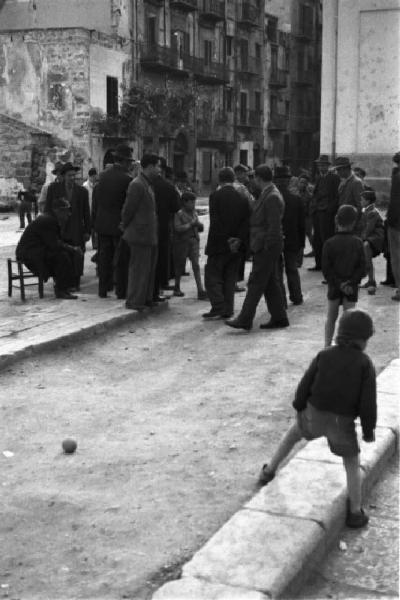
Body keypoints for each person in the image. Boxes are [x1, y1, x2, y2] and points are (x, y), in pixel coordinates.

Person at [258, 308, 376, 529]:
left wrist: (299, 405)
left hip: (315, 413)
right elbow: (368, 403)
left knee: (293, 434)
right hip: (342, 422)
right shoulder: (364, 363)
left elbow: (306, 383)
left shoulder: (324, 354)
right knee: (351, 462)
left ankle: (269, 470)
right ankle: (356, 511)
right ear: (363, 339)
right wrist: (368, 431)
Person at [226, 164, 289, 331]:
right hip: (263, 244)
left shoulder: (272, 197)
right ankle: (280, 317)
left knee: (255, 282)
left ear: (259, 178)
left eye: (254, 178)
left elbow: (274, 227)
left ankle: (245, 319)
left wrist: (267, 247)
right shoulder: (267, 194)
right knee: (270, 283)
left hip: (266, 246)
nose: (251, 181)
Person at [203, 167, 250, 320]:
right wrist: (237, 240)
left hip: (219, 243)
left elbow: (216, 222)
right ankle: (228, 309)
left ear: (219, 179)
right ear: (233, 179)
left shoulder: (215, 196)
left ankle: (218, 305)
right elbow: (246, 221)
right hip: (236, 245)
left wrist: (226, 239)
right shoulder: (242, 197)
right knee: (230, 278)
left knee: (212, 276)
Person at [16, 198, 82, 299]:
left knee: (63, 254)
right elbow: (54, 244)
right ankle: (61, 289)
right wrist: (72, 249)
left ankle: (64, 286)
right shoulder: (48, 220)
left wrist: (71, 247)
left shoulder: (50, 218)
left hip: (35, 249)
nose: (68, 214)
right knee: (62, 257)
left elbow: (55, 241)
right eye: (66, 211)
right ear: (58, 211)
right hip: (29, 253)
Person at [92, 145, 133, 298]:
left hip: (102, 224)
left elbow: (96, 202)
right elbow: (128, 205)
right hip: (119, 225)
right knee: (121, 259)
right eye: (129, 162)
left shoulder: (102, 176)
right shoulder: (127, 179)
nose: (130, 165)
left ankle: (103, 289)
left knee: (104, 258)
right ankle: (121, 291)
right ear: (124, 162)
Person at [321, 205, 366, 347]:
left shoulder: (329, 243)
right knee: (348, 319)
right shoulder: (358, 243)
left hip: (334, 286)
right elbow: (362, 268)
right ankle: (347, 346)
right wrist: (350, 283)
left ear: (336, 220)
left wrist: (339, 284)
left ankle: (327, 345)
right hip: (351, 287)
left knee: (331, 318)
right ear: (354, 222)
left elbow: (327, 270)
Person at [121, 153, 161, 311]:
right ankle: (134, 300)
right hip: (139, 234)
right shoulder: (136, 184)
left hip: (149, 234)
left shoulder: (148, 184)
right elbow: (128, 209)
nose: (159, 170)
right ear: (150, 166)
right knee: (139, 269)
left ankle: (146, 298)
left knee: (149, 269)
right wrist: (124, 224)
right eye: (157, 166)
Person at [45, 162, 91, 290]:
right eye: (69, 175)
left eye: (73, 175)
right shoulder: (53, 189)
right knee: (61, 254)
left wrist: (87, 230)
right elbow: (48, 209)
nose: (72, 178)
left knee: (77, 254)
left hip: (76, 228)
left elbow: (86, 212)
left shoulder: (82, 191)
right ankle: (61, 282)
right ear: (64, 176)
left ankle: (75, 282)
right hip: (59, 228)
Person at [274, 165, 306, 306]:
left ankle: (281, 299)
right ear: (288, 181)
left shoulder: (271, 197)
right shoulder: (296, 199)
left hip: (276, 239)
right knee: (292, 269)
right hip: (292, 239)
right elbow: (301, 224)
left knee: (278, 270)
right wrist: (301, 244)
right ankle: (297, 296)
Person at [153, 158, 181, 301]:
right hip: (163, 226)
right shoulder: (168, 187)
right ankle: (160, 286)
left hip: (147, 227)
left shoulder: (144, 183)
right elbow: (176, 207)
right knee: (162, 257)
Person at [172, 191, 207, 300]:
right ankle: (176, 286)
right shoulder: (179, 214)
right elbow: (177, 228)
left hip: (194, 241)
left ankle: (200, 290)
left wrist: (199, 225)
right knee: (180, 265)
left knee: (196, 265)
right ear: (184, 203)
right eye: (191, 203)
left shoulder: (194, 213)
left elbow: (198, 226)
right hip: (183, 242)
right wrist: (190, 224)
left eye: (194, 202)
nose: (193, 205)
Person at [308, 155, 340, 272]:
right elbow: (316, 194)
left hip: (327, 213)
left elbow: (337, 196)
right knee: (317, 239)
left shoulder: (334, 178)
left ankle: (328, 266)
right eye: (320, 165)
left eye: (323, 165)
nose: (321, 167)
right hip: (317, 212)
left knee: (326, 238)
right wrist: (313, 207)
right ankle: (319, 264)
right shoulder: (319, 178)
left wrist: (330, 209)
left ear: (328, 166)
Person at [233, 164, 255, 292]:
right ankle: (234, 282)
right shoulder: (241, 188)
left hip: (232, 224)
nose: (247, 177)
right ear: (239, 173)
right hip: (241, 225)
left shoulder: (227, 186)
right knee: (238, 255)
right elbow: (251, 205)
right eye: (245, 174)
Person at [359, 189, 384, 295]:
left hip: (376, 237)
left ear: (368, 201)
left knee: (365, 247)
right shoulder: (367, 210)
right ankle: (370, 280)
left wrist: (360, 239)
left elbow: (369, 229)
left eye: (362, 200)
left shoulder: (372, 212)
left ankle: (371, 281)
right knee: (366, 256)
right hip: (371, 236)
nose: (360, 202)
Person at [335, 156, 364, 234]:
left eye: (338, 170)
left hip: (350, 224)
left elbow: (360, 205)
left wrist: (354, 224)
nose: (337, 173)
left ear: (346, 169)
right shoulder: (343, 181)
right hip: (343, 222)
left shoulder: (356, 182)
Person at [386, 151, 400, 301]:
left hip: (397, 223)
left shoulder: (397, 177)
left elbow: (395, 201)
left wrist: (390, 220)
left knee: (397, 257)